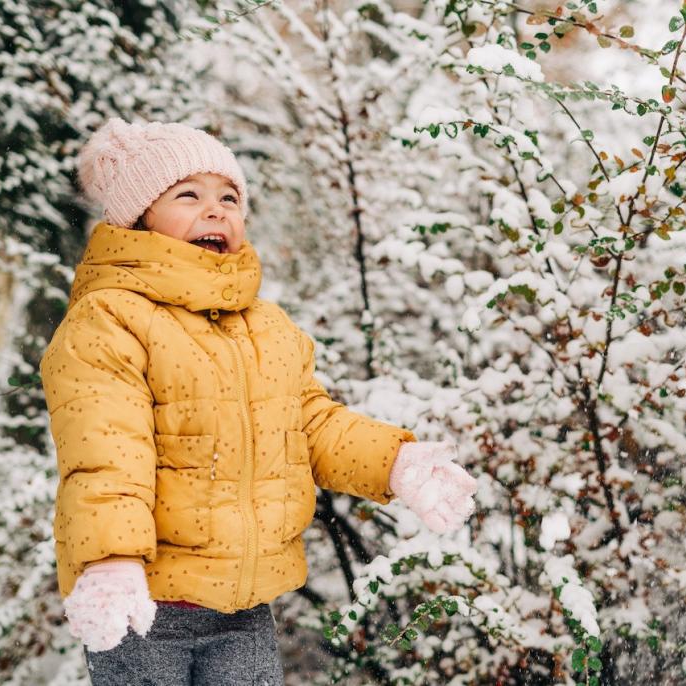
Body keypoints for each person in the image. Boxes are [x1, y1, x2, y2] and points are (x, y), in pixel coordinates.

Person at [39, 117, 479, 685]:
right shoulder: (110, 320)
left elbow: (313, 424)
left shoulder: (264, 327)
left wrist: (397, 462)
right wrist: (110, 559)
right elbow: (104, 452)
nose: (217, 209)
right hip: (143, 603)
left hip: (243, 607)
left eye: (230, 197)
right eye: (188, 195)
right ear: (138, 219)